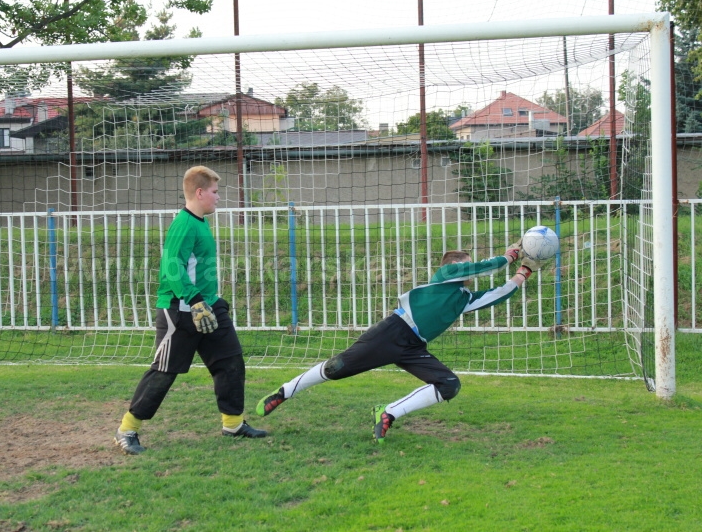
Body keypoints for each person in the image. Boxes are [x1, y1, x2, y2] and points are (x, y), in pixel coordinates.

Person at [255, 242, 543, 444]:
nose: (469, 271)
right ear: (454, 267)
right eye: (465, 266)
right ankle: (284, 391)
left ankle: (388, 412)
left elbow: (497, 294)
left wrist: (523, 273)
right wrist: (510, 256)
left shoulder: (463, 298)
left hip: (414, 346)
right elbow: (479, 269)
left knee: (449, 385)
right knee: (335, 368)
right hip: (391, 332)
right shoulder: (444, 276)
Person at [115, 165, 267, 455]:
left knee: (231, 362)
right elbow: (172, 269)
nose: (218, 197)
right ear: (200, 192)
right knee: (164, 372)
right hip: (181, 310)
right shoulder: (184, 224)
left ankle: (233, 424)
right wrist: (195, 300)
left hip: (208, 306)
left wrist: (207, 302)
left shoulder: (200, 222)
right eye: (214, 191)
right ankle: (127, 429)